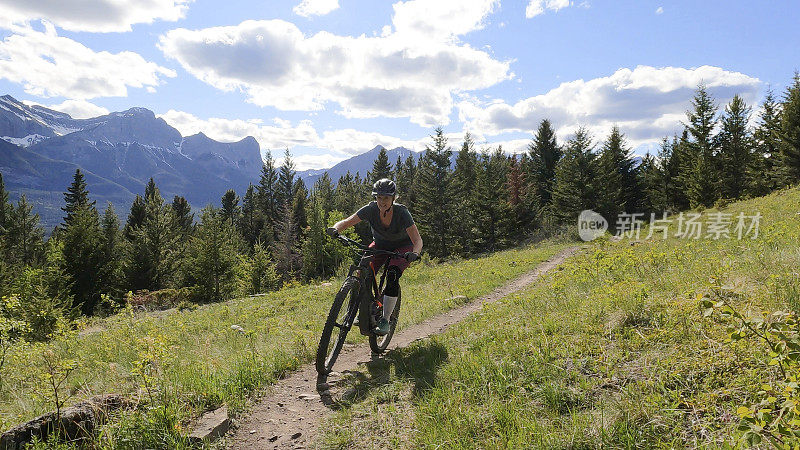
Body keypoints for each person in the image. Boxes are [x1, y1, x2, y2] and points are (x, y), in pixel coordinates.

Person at [326, 178, 423, 335]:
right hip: (380, 245)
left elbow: (417, 240)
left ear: (393, 198)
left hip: (403, 247)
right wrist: (335, 228)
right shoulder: (370, 209)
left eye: (386, 198)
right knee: (362, 270)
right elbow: (347, 222)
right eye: (379, 197)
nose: (382, 201)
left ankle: (385, 319)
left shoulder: (402, 213)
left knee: (392, 274)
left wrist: (415, 253)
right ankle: (358, 311)